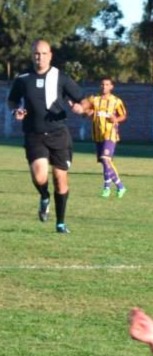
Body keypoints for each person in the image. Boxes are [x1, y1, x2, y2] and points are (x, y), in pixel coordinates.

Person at [6, 39, 87, 234]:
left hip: (59, 135)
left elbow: (83, 100)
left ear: (50, 55)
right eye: (36, 53)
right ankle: (44, 196)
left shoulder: (61, 77)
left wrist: (81, 107)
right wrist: (16, 110)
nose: (39, 57)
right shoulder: (23, 79)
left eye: (43, 53)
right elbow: (12, 100)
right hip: (34, 134)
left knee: (60, 179)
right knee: (40, 176)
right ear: (31, 55)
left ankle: (60, 223)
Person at [84, 77, 128, 198]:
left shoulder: (116, 101)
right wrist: (85, 111)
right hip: (97, 135)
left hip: (110, 133)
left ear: (111, 87)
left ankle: (110, 187)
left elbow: (123, 115)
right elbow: (87, 112)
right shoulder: (94, 99)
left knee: (105, 158)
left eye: (107, 84)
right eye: (102, 84)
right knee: (105, 163)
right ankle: (118, 187)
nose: (104, 86)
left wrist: (116, 119)